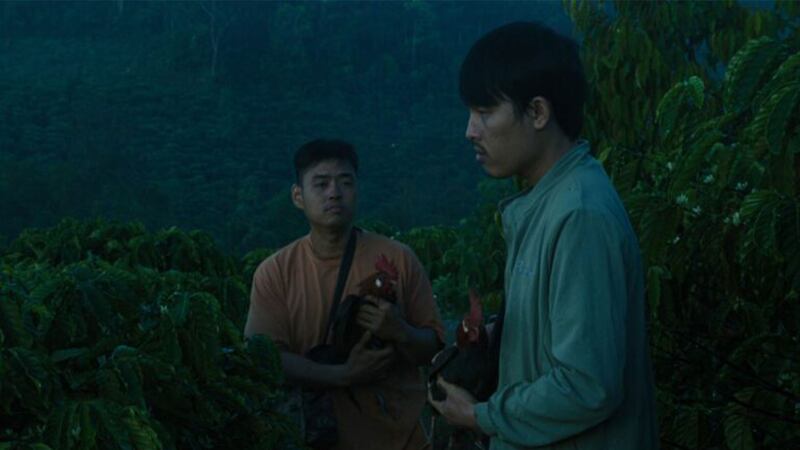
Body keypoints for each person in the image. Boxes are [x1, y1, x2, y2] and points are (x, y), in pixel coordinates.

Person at [428, 22, 659, 449]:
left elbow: (587, 385)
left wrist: (479, 416)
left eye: (484, 112)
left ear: (537, 112)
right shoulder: (545, 203)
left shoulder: (579, 215)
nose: (470, 131)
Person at [245, 139, 444, 450]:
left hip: (402, 438)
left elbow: (434, 347)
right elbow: (268, 359)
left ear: (357, 189)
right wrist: (343, 375)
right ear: (298, 196)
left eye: (345, 182)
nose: (334, 193)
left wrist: (400, 331)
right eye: (321, 184)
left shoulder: (399, 258)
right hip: (318, 436)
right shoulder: (275, 273)